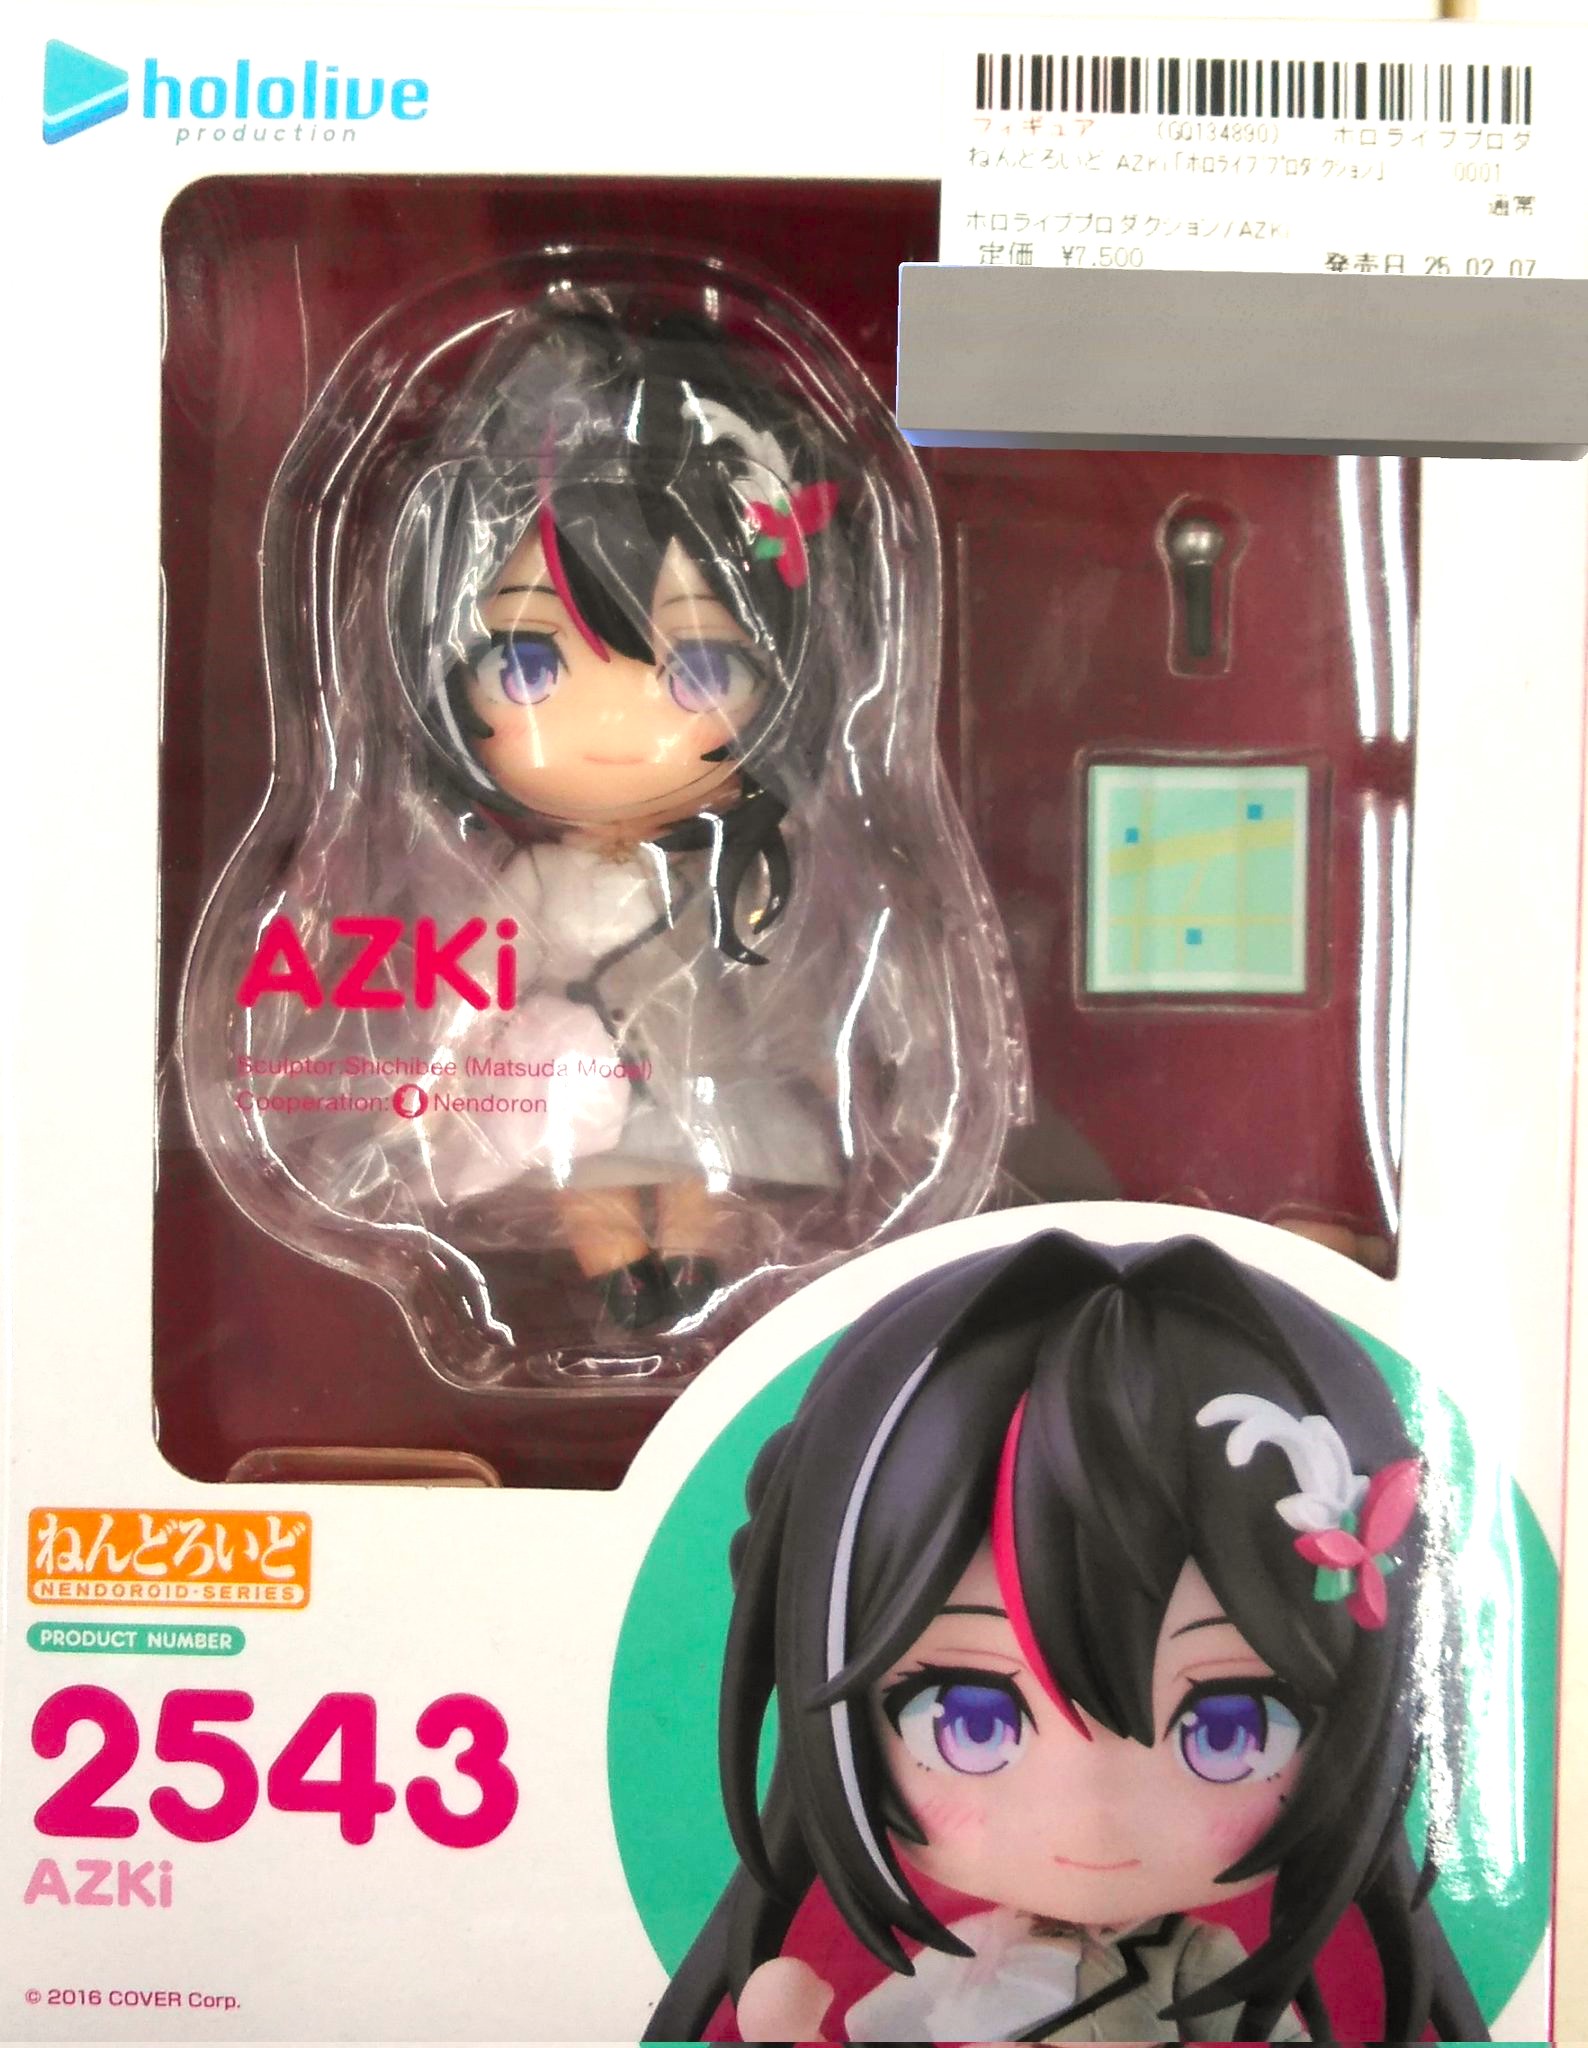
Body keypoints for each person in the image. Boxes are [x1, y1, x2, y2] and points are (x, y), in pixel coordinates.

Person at [647, 1229, 1486, 2043]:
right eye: (968, 1718)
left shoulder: (1196, 1961)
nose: (1093, 1818)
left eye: (1231, 1729)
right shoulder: (968, 1961)